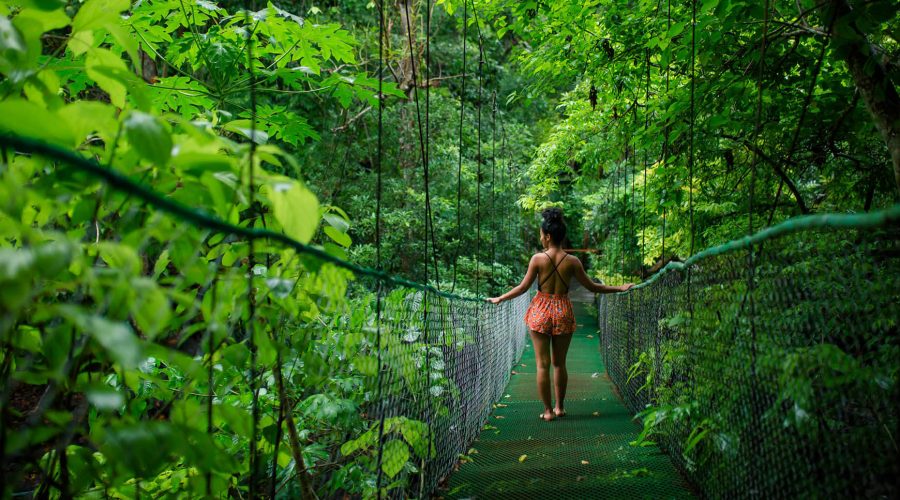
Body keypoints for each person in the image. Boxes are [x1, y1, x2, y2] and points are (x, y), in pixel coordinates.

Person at [487, 208, 634, 422]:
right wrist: (619, 288)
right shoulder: (573, 261)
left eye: (541, 234)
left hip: (540, 311)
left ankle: (547, 412)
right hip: (562, 310)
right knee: (559, 363)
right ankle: (560, 407)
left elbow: (522, 288)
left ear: (547, 236)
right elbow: (593, 287)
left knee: (542, 364)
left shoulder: (538, 259)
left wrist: (500, 298)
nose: (540, 237)